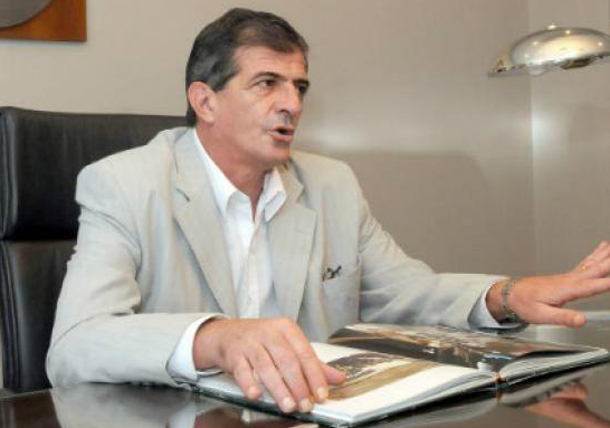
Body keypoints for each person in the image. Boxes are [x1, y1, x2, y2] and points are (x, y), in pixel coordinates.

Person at [46, 8, 610, 415]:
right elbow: (75, 344)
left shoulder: (331, 185)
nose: (292, 104)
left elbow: (408, 291)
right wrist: (214, 338)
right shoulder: (124, 184)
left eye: (299, 86)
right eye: (267, 83)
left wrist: (506, 295)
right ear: (205, 101)